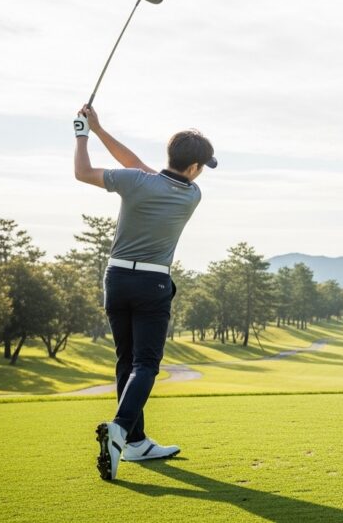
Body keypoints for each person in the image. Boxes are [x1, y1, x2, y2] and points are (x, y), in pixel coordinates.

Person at [73, 105, 217, 481]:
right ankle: (120, 429)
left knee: (126, 360)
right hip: (152, 284)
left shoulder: (136, 182)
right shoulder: (192, 195)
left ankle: (135, 442)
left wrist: (85, 133)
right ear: (194, 168)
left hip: (116, 278)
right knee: (146, 364)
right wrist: (99, 130)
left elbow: (83, 172)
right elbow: (138, 164)